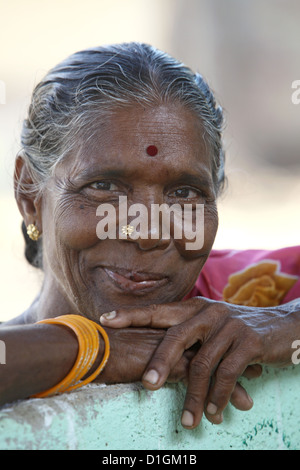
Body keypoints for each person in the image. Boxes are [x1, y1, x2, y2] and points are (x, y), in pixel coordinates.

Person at [0, 43, 299, 431]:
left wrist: (283, 322)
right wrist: (95, 350)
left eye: (184, 193)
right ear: (29, 195)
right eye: (104, 185)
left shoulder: (241, 304)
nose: (148, 233)